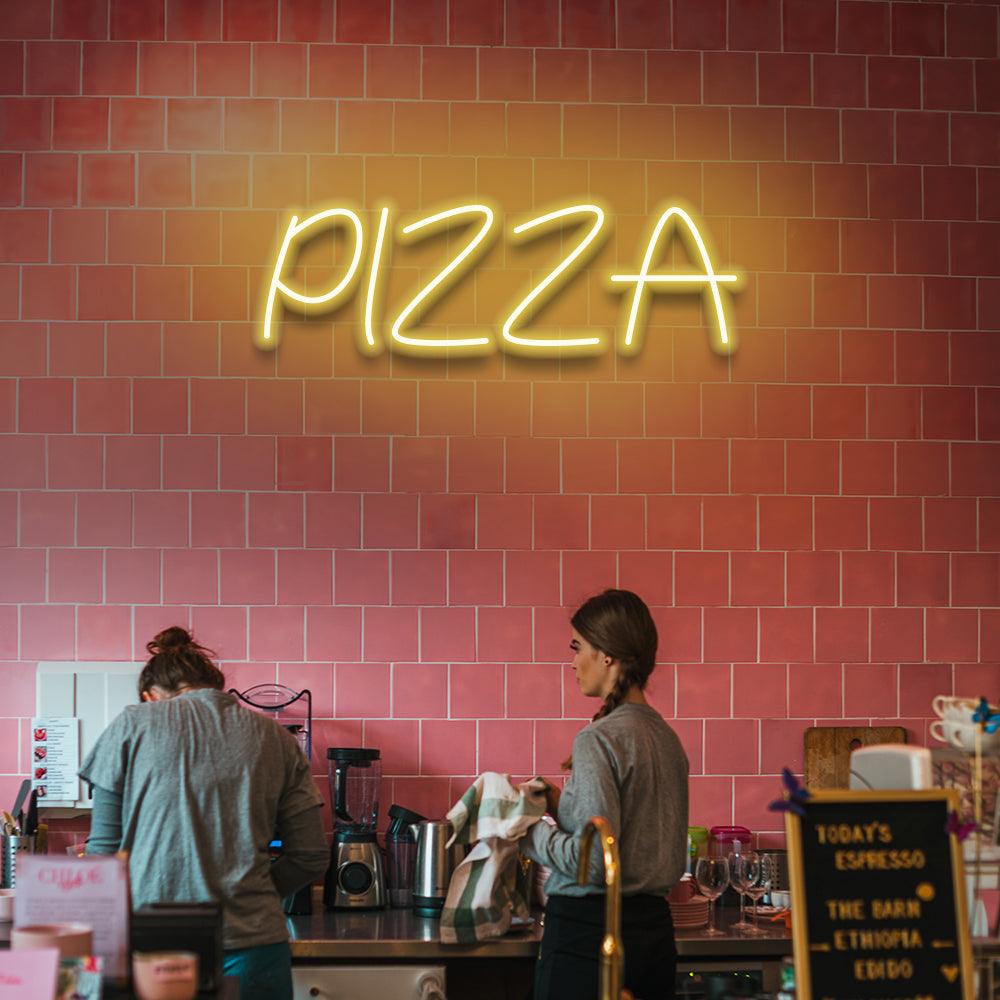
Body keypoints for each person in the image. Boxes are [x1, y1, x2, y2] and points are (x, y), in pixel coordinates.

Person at [80, 627, 328, 1000]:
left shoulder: (130, 726)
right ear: (215, 685)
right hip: (254, 945)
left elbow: (103, 855)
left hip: (153, 950)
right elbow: (311, 856)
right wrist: (253, 891)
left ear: (150, 698)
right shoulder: (276, 739)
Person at [522, 589, 689, 1000]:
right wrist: (559, 803)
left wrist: (526, 831)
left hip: (589, 936)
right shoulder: (666, 739)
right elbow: (624, 833)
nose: (573, 661)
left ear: (608, 655)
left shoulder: (598, 739)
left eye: (579, 647)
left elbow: (596, 862)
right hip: (653, 937)